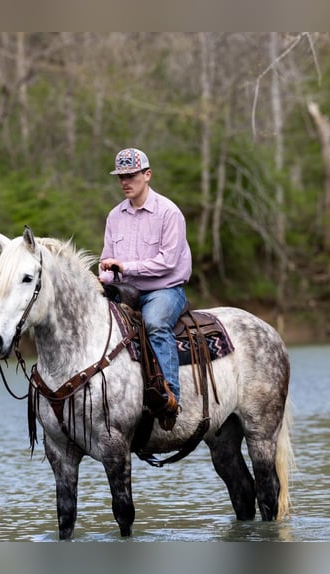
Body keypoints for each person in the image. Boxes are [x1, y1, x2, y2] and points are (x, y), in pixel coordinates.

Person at [99, 148, 192, 431]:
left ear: (147, 175)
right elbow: (106, 260)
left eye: (131, 176)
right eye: (121, 177)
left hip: (163, 289)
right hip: (125, 291)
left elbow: (168, 262)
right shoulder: (115, 216)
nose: (125, 182)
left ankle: (169, 395)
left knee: (154, 323)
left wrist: (124, 267)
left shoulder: (169, 213)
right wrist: (101, 277)